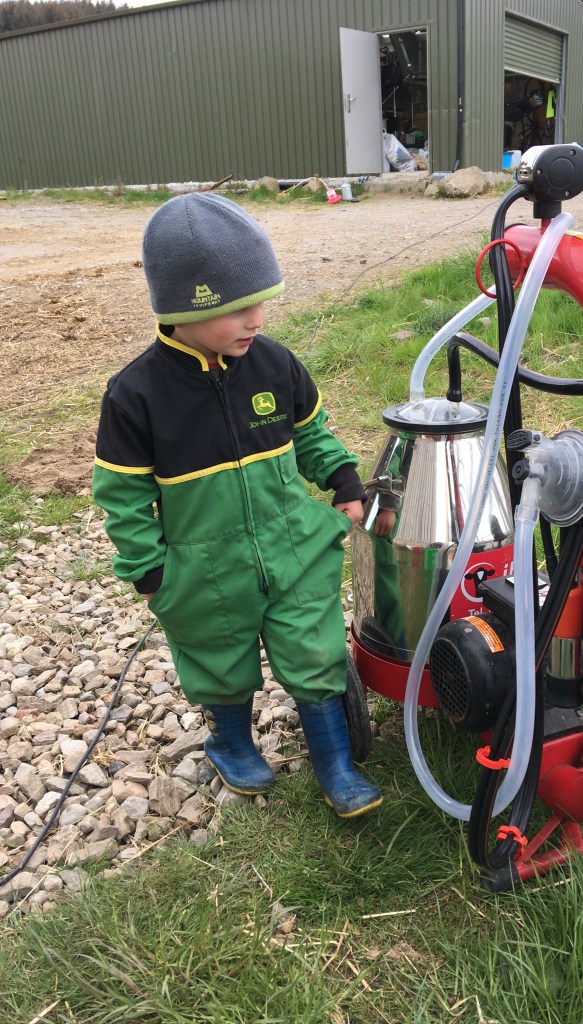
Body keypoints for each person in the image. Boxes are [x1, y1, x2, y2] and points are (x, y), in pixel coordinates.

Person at [92, 192, 383, 819]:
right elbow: (122, 496)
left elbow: (310, 432)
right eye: (238, 308)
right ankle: (230, 741)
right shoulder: (136, 395)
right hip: (204, 562)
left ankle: (335, 761)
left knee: (315, 645)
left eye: (262, 301)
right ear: (185, 308)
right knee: (217, 652)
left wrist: (342, 479)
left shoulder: (273, 363)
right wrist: (151, 571)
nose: (257, 319)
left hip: (290, 541)